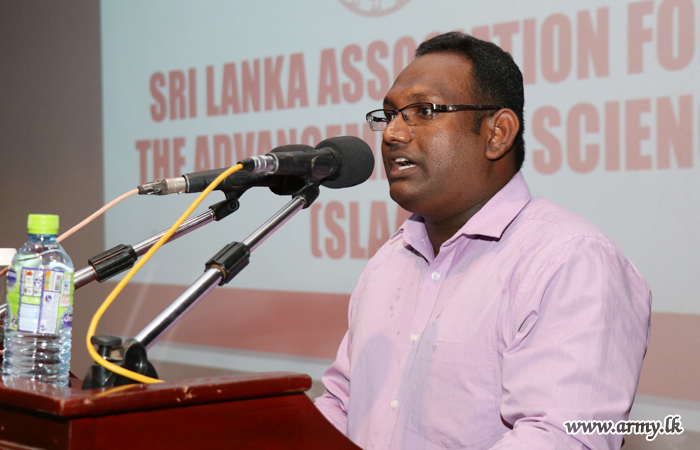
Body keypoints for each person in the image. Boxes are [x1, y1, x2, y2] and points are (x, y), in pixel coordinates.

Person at [314, 31, 651, 450]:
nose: (393, 134)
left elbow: (562, 436)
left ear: (498, 133)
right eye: (389, 115)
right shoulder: (389, 261)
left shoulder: (570, 260)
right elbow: (343, 404)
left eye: (423, 111)